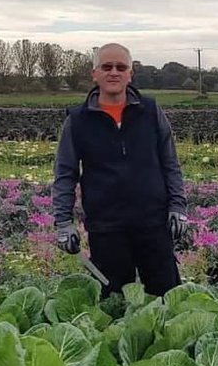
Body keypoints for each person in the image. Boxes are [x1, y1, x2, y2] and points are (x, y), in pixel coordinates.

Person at [52, 42, 189, 297]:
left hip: (153, 222)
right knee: (113, 302)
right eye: (106, 67)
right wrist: (63, 222)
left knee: (167, 297)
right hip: (106, 225)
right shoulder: (78, 120)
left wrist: (178, 207)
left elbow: (170, 163)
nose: (113, 72)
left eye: (120, 67)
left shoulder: (150, 111)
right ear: (95, 74)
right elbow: (65, 174)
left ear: (130, 74)